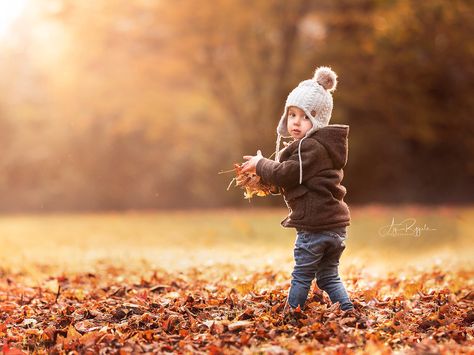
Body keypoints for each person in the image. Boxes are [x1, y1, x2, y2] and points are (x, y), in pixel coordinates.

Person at [241, 66, 354, 313]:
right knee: (327, 276)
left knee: (302, 275)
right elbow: (293, 179)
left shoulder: (310, 148)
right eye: (292, 115)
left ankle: (292, 313)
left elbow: (287, 174)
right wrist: (265, 177)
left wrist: (262, 164)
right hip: (335, 227)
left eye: (305, 117)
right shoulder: (320, 148)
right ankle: (347, 310)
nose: (296, 122)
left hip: (315, 227)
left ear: (317, 121)